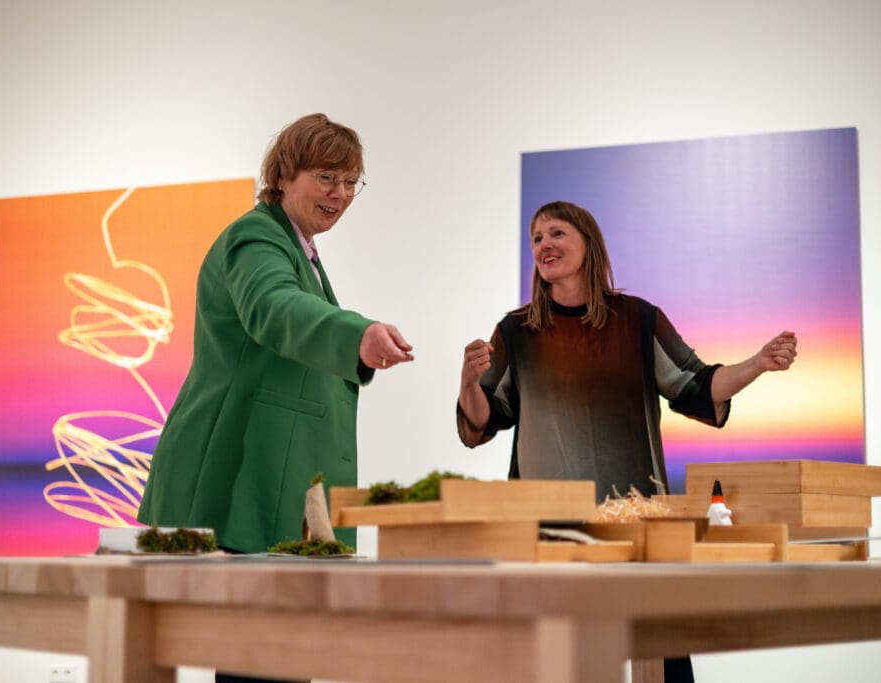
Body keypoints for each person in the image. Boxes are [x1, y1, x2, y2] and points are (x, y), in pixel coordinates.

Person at [457, 200, 797, 683]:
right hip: (546, 533)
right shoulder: (516, 331)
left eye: (556, 233)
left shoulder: (639, 319)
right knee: (552, 663)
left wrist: (756, 364)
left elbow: (697, 386)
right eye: (536, 238)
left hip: (636, 526)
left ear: (588, 243)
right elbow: (484, 419)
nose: (544, 244)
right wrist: (468, 383)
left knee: (662, 651)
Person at [137, 113, 413, 683]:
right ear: (283, 176)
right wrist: (355, 335)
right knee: (261, 663)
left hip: (278, 488)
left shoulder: (300, 247)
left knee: (280, 661)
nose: (339, 194)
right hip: (244, 476)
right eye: (326, 177)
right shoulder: (256, 237)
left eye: (350, 182)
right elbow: (274, 306)